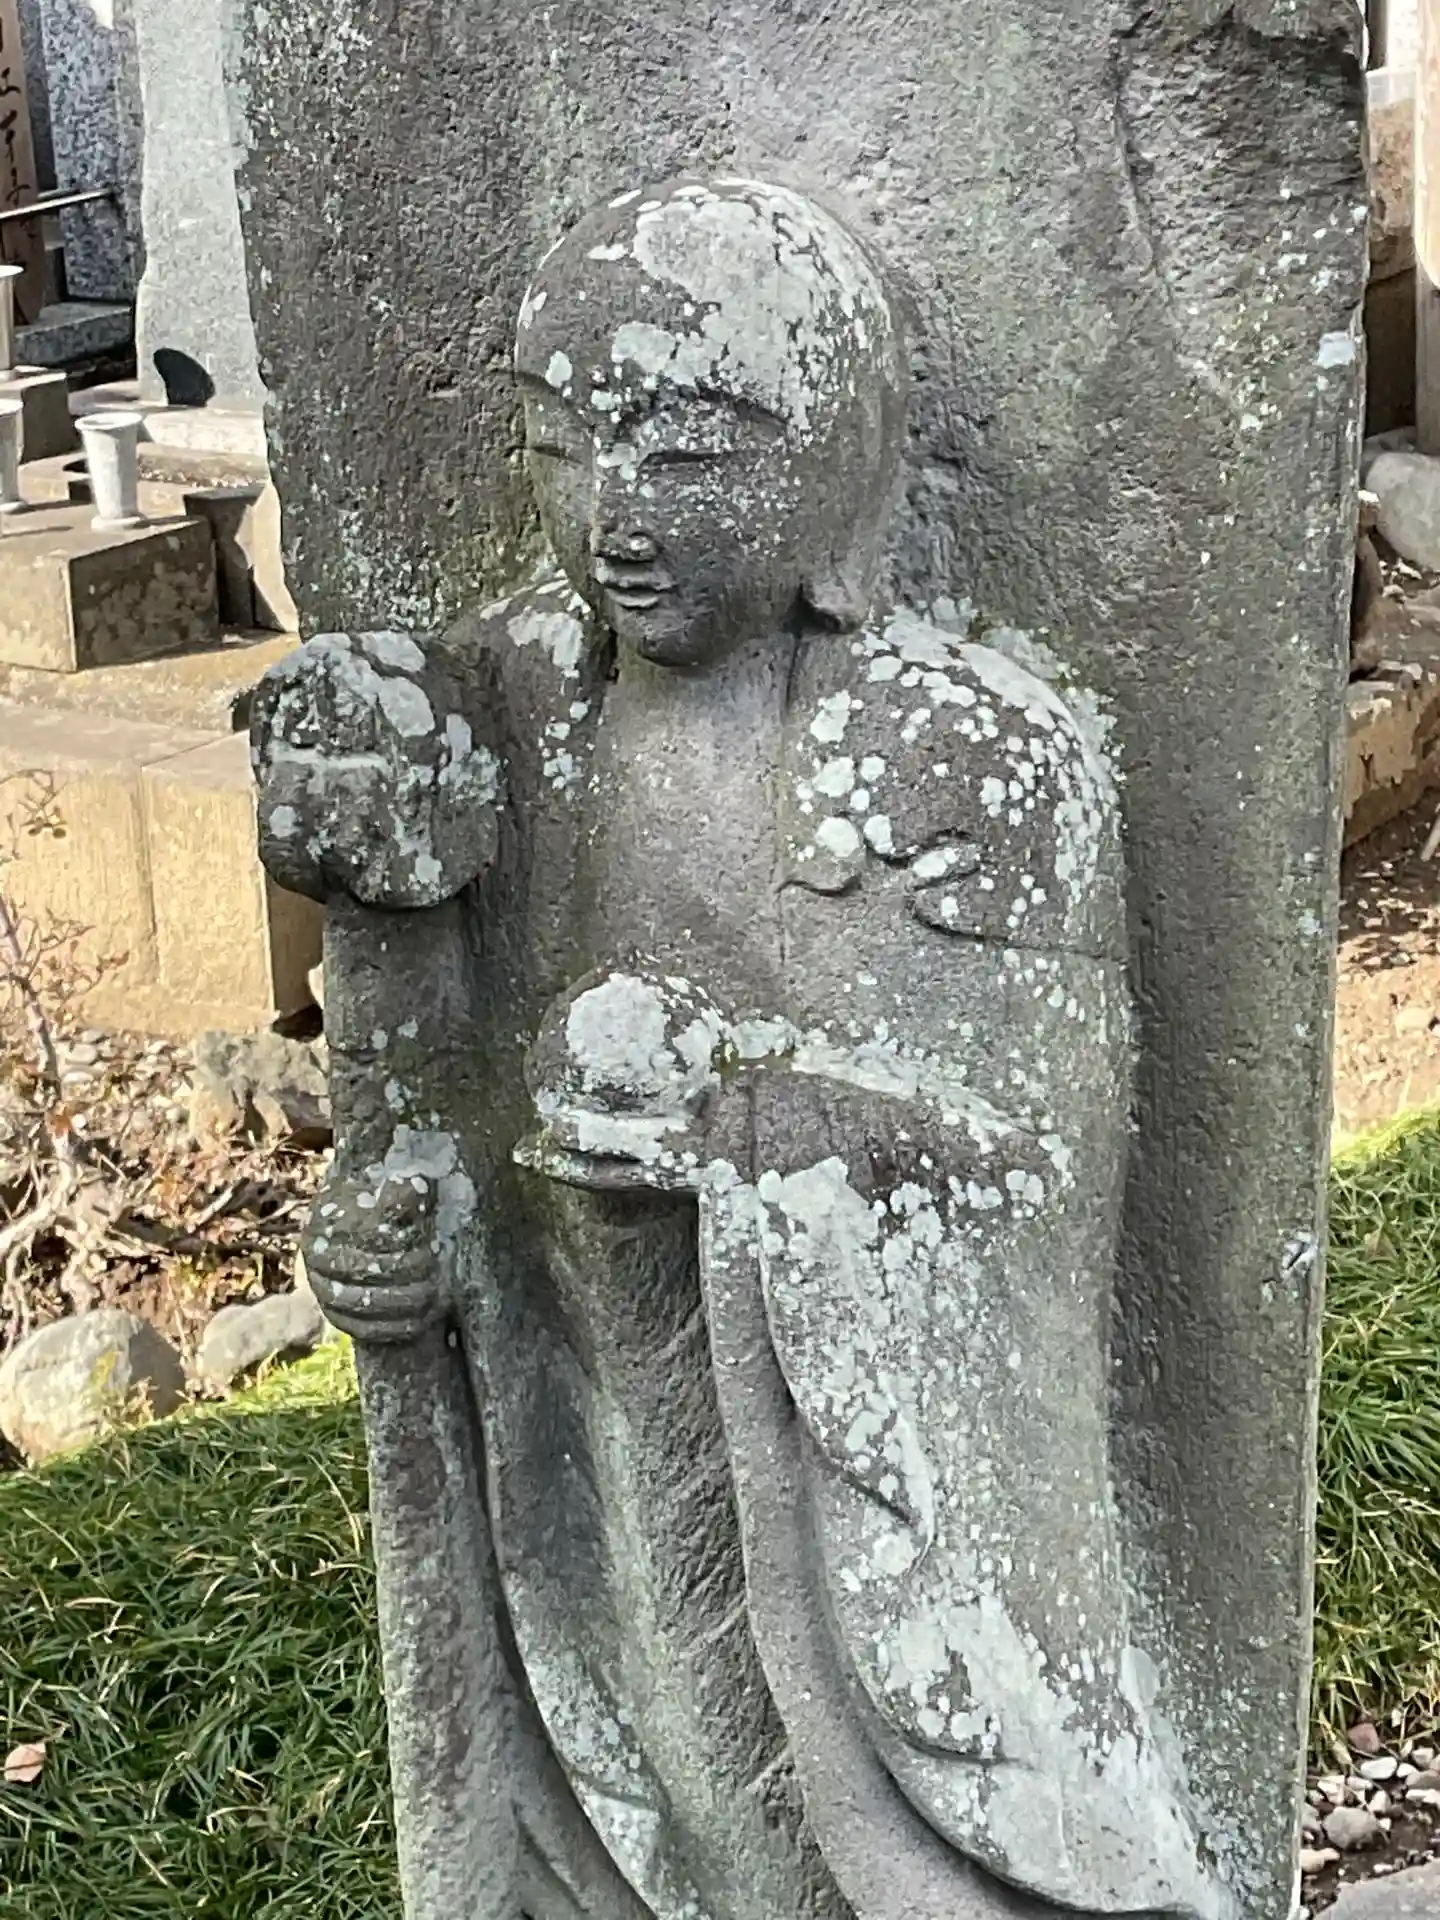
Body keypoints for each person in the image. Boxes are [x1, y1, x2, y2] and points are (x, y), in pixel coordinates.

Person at [253, 175, 1226, 1920]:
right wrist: (409, 1238)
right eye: (566, 450)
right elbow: (434, 1107)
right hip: (591, 1460)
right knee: (655, 1793)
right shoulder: (509, 706)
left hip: (855, 1522)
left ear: (837, 471)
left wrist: (755, 1129)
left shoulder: (972, 761)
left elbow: (1041, 1182)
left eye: (694, 458)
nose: (619, 517)